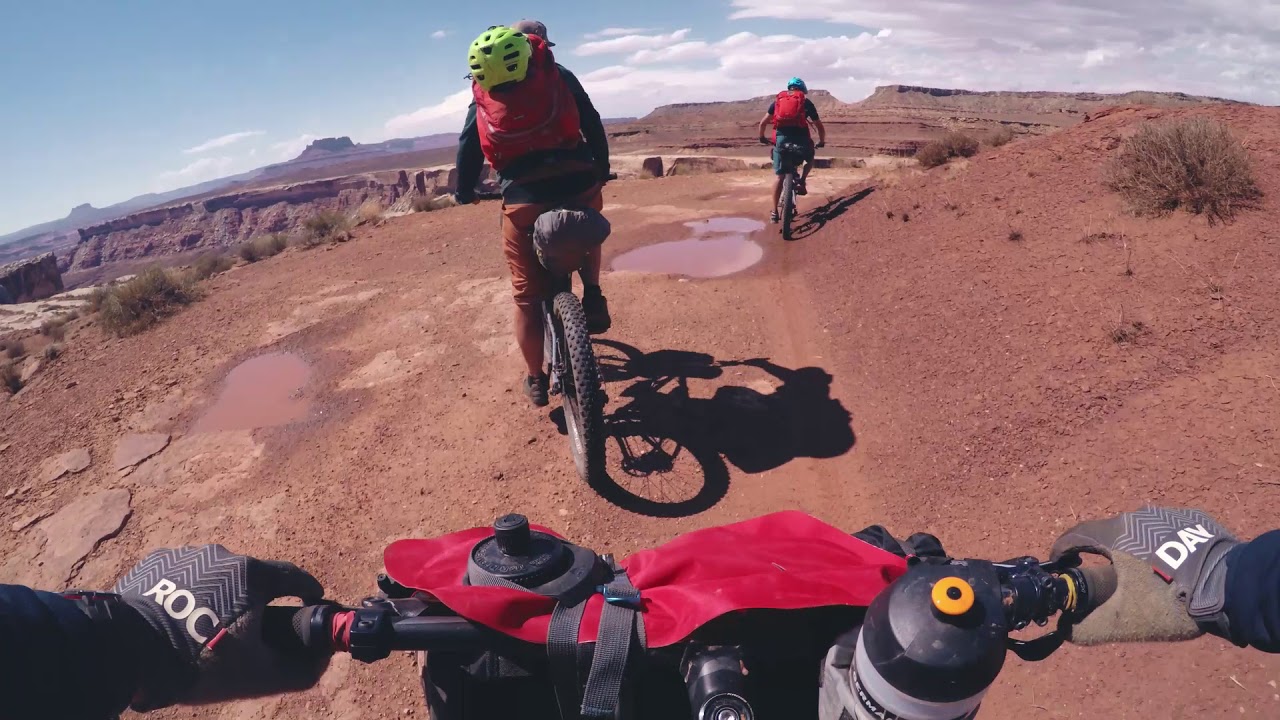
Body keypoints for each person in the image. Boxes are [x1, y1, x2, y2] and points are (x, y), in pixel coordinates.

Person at [2, 507, 1276, 718]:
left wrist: (127, 641)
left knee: (531, 256)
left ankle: (548, 336)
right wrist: (1220, 590)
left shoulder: (507, 116)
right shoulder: (550, 107)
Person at [453, 24, 612, 408]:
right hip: (578, 181)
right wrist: (601, 168)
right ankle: (592, 293)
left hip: (523, 199)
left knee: (526, 297)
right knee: (586, 225)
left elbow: (468, 148)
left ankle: (536, 380)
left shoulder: (484, 94)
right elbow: (592, 121)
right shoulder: (559, 75)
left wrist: (463, 191)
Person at [757, 77, 826, 223]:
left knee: (779, 177)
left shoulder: (777, 102)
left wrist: (762, 137)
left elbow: (763, 123)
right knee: (810, 156)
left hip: (781, 142)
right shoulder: (806, 103)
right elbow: (819, 126)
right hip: (801, 142)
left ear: (789, 88)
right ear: (802, 90)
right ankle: (802, 181)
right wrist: (821, 141)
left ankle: (775, 212)